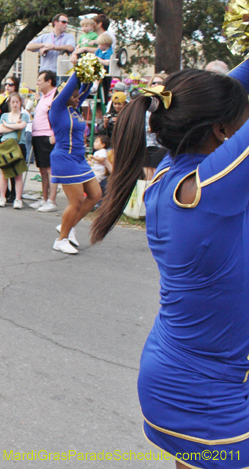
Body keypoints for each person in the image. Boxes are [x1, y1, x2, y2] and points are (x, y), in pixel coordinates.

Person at [90, 61, 249, 468]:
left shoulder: (171, 172)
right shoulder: (209, 186)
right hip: (207, 391)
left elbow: (219, 92)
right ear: (221, 132)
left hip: (183, 372)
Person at [48, 73, 100, 254]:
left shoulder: (74, 109)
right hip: (65, 158)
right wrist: (79, 71)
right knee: (76, 201)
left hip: (79, 159)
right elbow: (71, 85)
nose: (78, 99)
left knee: (95, 194)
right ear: (65, 95)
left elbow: (83, 89)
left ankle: (67, 226)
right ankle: (61, 239)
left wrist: (92, 73)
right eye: (74, 96)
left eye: (79, 96)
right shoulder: (57, 108)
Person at [29, 70, 59, 212]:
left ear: (49, 81)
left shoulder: (56, 95)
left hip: (48, 135)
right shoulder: (42, 96)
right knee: (42, 170)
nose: (37, 82)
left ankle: (52, 201)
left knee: (50, 169)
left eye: (40, 80)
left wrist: (55, 135)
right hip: (37, 135)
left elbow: (59, 116)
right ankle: (45, 198)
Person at [0, 92, 30, 208]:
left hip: (18, 145)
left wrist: (8, 125)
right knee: (4, 174)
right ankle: (2, 197)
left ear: (20, 103)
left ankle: (18, 199)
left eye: (17, 102)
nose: (15, 104)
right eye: (13, 102)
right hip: (5, 145)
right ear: (10, 103)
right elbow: (1, 130)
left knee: (18, 174)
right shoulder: (4, 115)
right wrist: (14, 125)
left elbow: (21, 127)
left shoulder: (23, 115)